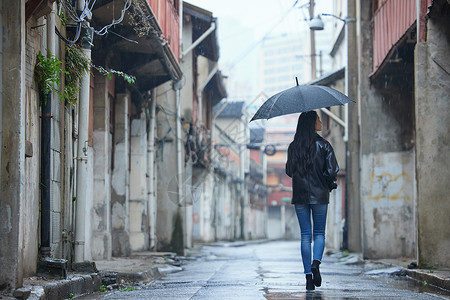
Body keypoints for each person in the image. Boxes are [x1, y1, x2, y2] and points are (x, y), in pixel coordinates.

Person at [285, 111, 339, 291]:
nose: (321, 122)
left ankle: (308, 276)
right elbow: (332, 170)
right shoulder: (324, 145)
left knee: (305, 236)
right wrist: (328, 183)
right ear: (311, 122)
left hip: (300, 195)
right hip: (320, 195)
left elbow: (289, 171)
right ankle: (316, 263)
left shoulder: (294, 146)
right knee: (319, 234)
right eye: (317, 119)